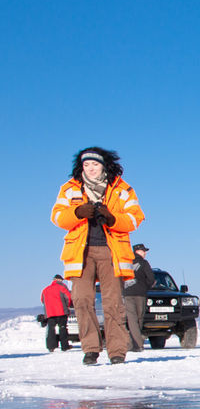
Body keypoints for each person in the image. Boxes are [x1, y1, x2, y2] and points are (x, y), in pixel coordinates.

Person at [51, 147, 145, 365]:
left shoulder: (122, 190)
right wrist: (77, 213)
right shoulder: (69, 189)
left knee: (113, 303)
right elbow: (56, 216)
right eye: (86, 165)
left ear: (104, 165)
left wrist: (112, 219)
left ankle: (117, 352)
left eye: (95, 164)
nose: (90, 169)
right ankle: (91, 349)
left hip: (111, 251)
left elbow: (135, 218)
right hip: (80, 252)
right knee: (82, 301)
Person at [123, 243, 155, 352]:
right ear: (138, 251)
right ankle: (138, 344)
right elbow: (151, 278)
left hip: (127, 293)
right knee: (139, 318)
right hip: (140, 294)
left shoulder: (126, 262)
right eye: (143, 251)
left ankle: (133, 344)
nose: (145, 253)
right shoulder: (144, 263)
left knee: (131, 319)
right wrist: (145, 287)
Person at [40, 274, 73, 352]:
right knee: (62, 328)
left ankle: (51, 346)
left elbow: (42, 300)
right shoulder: (62, 288)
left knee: (51, 329)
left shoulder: (45, 289)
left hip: (50, 313)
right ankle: (64, 346)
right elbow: (68, 298)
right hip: (61, 311)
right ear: (60, 280)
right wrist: (67, 307)